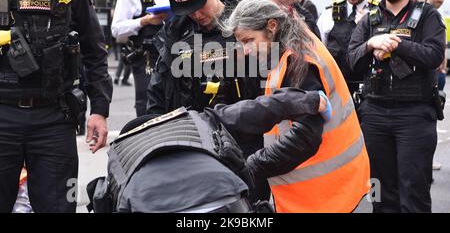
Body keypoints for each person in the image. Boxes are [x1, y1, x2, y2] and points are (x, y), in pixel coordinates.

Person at [0, 0, 112, 213]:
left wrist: (100, 109)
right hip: (2, 114)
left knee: (59, 206)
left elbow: (94, 47)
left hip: (54, 117)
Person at [223, 0, 370, 213]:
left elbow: (305, 137)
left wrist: (251, 166)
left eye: (248, 41)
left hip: (326, 195)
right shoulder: (292, 45)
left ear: (272, 26)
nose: (245, 51)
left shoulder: (298, 61)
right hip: (325, 189)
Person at [87, 87, 331, 213]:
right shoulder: (196, 121)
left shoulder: (119, 153)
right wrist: (310, 100)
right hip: (225, 199)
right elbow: (256, 110)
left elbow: (103, 199)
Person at [147, 0, 265, 200]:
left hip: (244, 150)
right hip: (190, 151)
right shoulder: (173, 34)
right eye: (188, 10)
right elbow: (158, 96)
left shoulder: (248, 25)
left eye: (201, 6)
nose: (196, 14)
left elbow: (268, 90)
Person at [348, 0, 446, 213]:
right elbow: (351, 59)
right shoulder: (370, 17)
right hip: (375, 114)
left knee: (414, 192)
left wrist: (396, 43)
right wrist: (371, 43)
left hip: (414, 114)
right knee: (378, 189)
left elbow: (434, 55)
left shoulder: (428, 16)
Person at [111, 0, 176, 117]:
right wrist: (144, 21)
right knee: (148, 104)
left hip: (173, 55)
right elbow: (116, 29)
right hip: (147, 58)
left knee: (173, 102)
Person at [317, 0, 378, 96]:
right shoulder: (329, 13)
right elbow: (320, 50)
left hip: (367, 87)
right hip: (336, 85)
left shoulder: (378, 13)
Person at [427, 0, 447, 172]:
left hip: (438, 73)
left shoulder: (438, 16)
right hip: (427, 75)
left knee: (434, 117)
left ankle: (429, 157)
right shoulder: (421, 15)